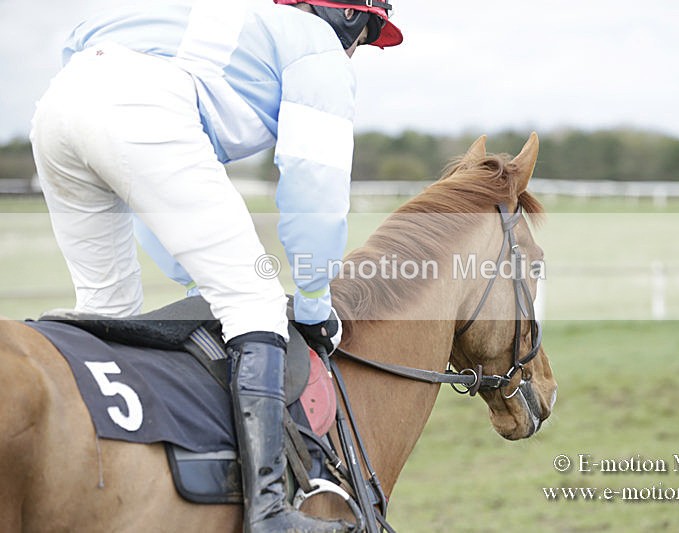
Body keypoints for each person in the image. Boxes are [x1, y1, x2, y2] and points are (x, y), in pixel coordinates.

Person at [30, 0, 402, 531]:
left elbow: (150, 188)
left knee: (106, 311)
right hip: (139, 108)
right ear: (347, 17)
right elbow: (312, 185)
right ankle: (269, 510)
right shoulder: (320, 49)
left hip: (58, 107)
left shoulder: (229, 26)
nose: (360, 48)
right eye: (368, 33)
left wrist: (197, 277)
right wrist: (315, 303)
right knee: (257, 302)